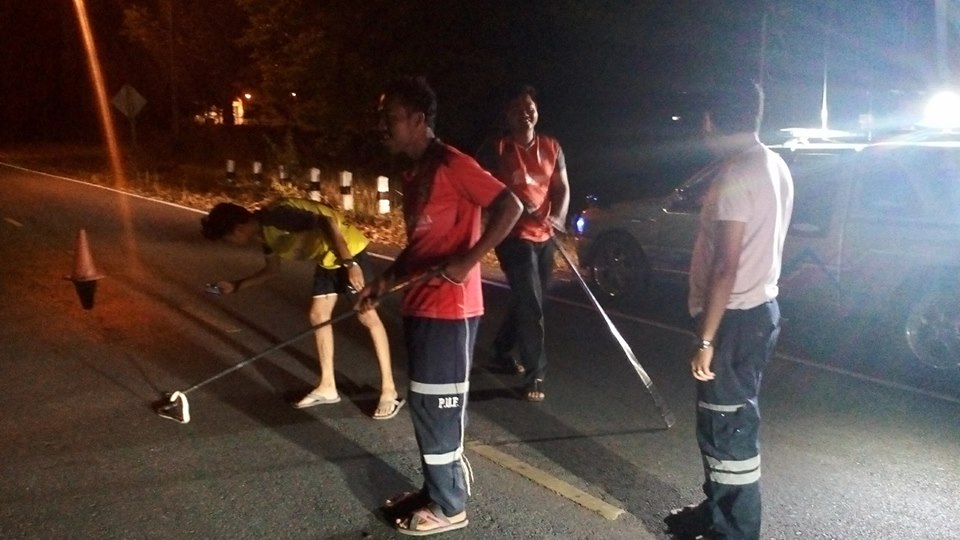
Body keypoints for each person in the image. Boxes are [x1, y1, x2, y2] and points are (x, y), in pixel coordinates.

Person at [355, 76, 522, 536]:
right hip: (421, 303)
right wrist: (384, 281)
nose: (383, 127)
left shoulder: (452, 163)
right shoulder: (415, 174)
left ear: (418, 119)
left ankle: (450, 506)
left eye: (390, 118)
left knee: (439, 407)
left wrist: (469, 261)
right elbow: (421, 246)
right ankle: (434, 490)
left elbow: (511, 205)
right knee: (426, 405)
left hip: (451, 308)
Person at [665, 81, 793, 539]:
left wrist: (706, 338)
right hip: (757, 311)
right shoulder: (774, 164)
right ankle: (716, 510)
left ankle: (735, 530)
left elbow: (726, 265)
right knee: (724, 420)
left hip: (734, 318)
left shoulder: (739, 173)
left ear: (709, 122)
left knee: (727, 426)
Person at [200, 197, 405, 420]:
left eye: (227, 238)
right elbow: (272, 270)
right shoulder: (265, 234)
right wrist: (236, 285)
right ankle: (328, 386)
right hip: (327, 258)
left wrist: (350, 264)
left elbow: (326, 222)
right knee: (318, 315)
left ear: (237, 229)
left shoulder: (277, 217)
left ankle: (389, 391)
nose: (231, 243)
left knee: (367, 316)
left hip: (347, 251)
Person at [476, 84, 570, 402]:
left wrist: (557, 217)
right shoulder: (498, 149)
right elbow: (482, 187)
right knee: (530, 302)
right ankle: (535, 374)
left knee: (530, 299)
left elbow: (562, 187)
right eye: (517, 109)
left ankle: (501, 350)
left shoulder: (552, 146)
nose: (525, 113)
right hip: (512, 236)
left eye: (529, 107)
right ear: (508, 116)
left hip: (545, 234)